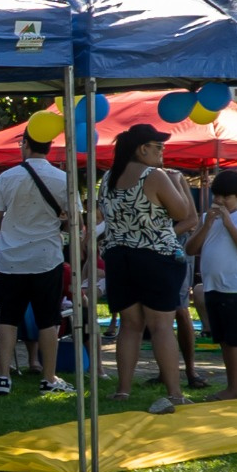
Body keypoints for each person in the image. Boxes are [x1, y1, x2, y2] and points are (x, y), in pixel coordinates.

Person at [100, 122, 197, 413]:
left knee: (129, 325)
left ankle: (123, 390)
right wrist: (179, 183)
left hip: (119, 257)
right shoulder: (154, 175)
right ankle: (175, 393)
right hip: (155, 257)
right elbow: (182, 212)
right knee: (161, 326)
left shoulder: (108, 177)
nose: (162, 153)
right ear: (142, 149)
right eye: (158, 147)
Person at [0, 132, 70, 397]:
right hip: (47, 257)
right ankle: (49, 378)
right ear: (50, 147)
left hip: (11, 258)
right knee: (48, 320)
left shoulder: (7, 178)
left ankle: (3, 377)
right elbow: (74, 222)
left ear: (25, 145)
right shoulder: (63, 179)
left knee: (8, 318)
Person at [185, 169, 237, 400]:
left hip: (236, 288)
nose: (220, 201)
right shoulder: (207, 218)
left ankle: (236, 389)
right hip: (213, 287)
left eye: (226, 197)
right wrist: (207, 225)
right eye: (217, 196)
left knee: (236, 342)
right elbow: (190, 249)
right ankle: (230, 386)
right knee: (224, 341)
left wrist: (228, 224)